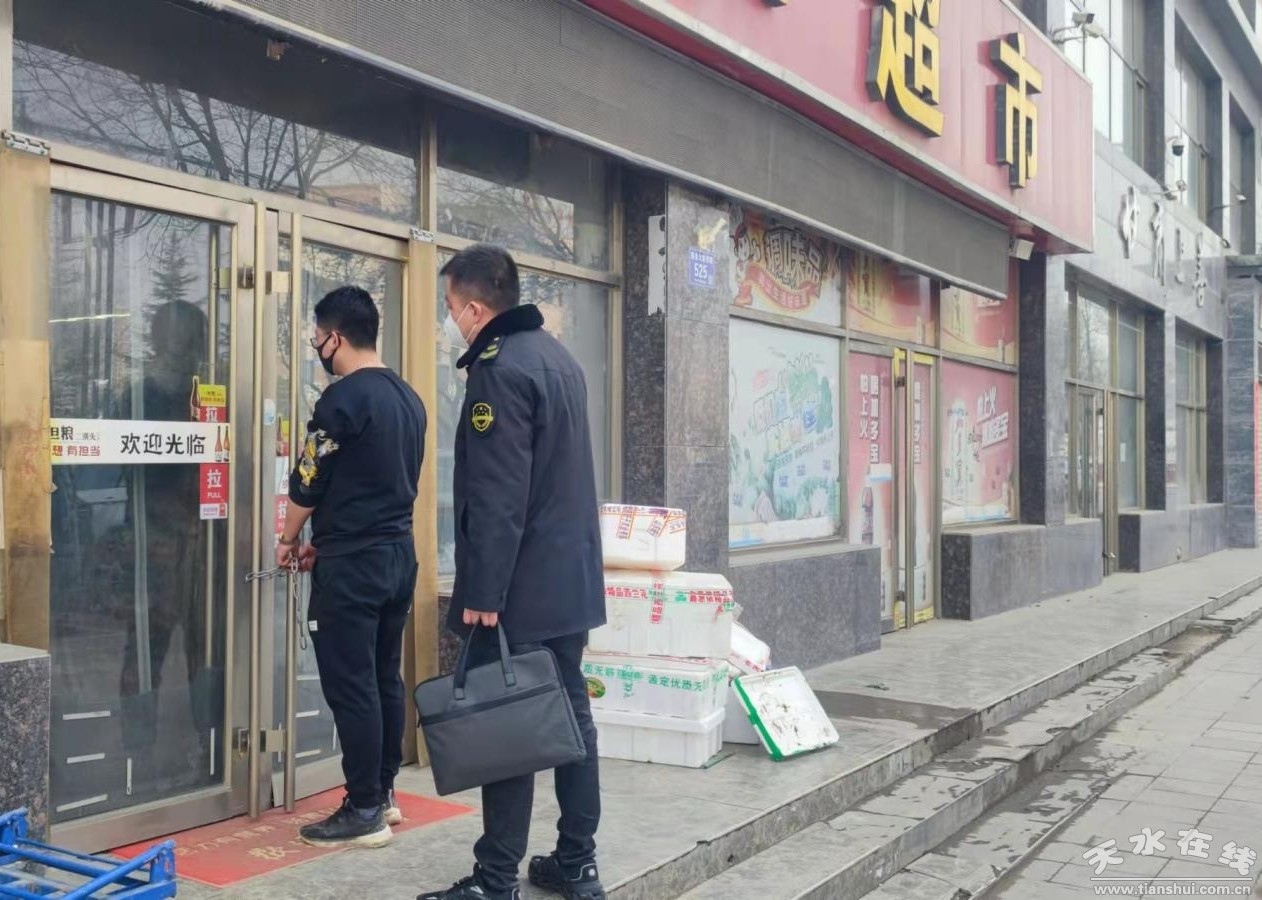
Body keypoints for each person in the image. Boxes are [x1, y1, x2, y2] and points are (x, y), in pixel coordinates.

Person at [418, 245, 606, 900]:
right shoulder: (558, 358)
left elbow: (499, 494)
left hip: (519, 589)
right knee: (572, 720)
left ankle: (495, 880)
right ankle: (577, 862)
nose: (450, 320)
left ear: (475, 308)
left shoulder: (499, 370)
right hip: (569, 583)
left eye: (450, 307)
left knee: (509, 725)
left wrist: (483, 590)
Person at [276, 285, 427, 849]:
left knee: (351, 684)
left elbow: (309, 479)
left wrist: (289, 537)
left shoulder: (341, 402)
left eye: (317, 338)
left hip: (353, 566)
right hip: (397, 556)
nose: (317, 348)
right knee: (384, 676)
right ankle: (382, 795)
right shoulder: (409, 398)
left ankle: (362, 807)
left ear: (335, 338)